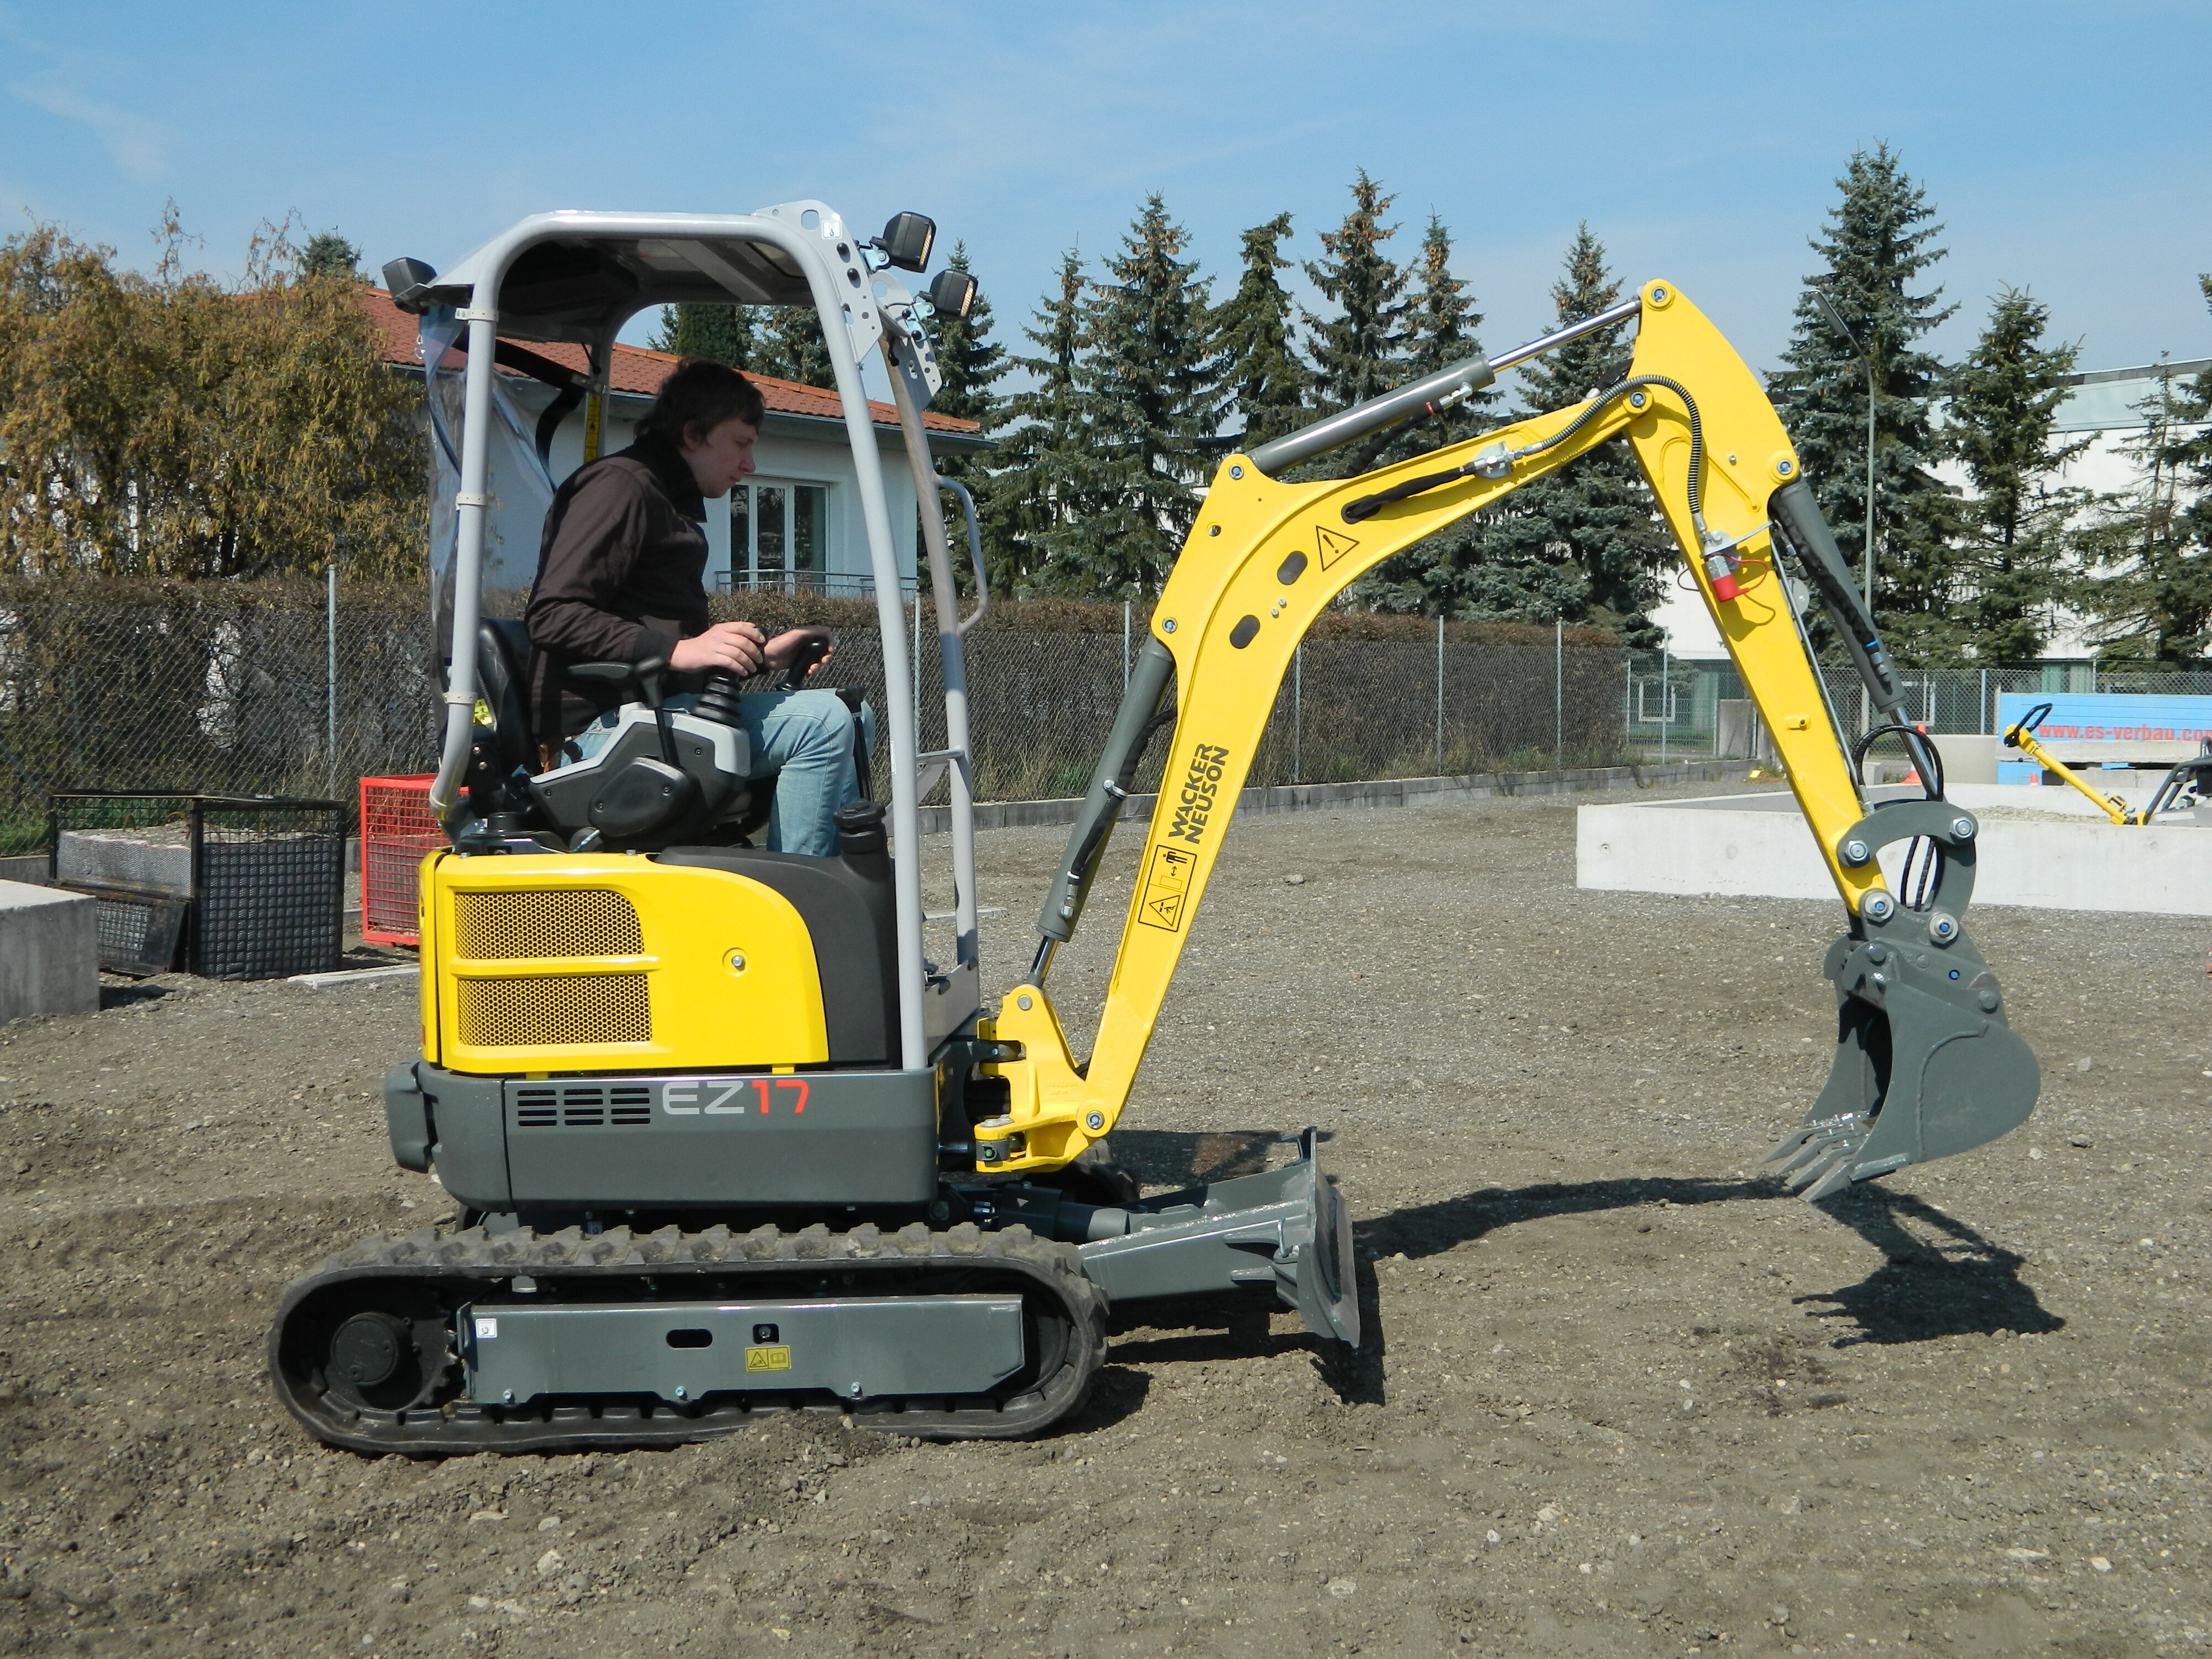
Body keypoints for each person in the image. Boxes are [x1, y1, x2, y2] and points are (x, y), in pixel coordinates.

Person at [524, 359, 869, 857]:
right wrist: (677, 651)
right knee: (822, 723)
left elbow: (671, 648)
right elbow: (551, 613)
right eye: (742, 444)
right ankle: (802, 897)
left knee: (853, 716)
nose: (750, 464)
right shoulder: (619, 487)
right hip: (597, 734)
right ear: (694, 435)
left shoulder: (665, 500)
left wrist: (762, 657)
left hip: (653, 713)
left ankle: (843, 886)